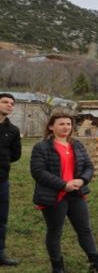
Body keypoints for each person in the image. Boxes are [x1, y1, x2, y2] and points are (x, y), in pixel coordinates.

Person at [30, 110, 98, 273]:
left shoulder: (77, 145)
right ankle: (58, 268)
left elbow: (89, 166)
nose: (66, 127)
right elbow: (38, 172)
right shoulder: (42, 147)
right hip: (54, 196)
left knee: (84, 229)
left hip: (76, 194)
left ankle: (97, 264)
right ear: (51, 127)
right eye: (61, 124)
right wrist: (63, 184)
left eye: (68, 124)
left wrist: (82, 180)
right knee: (55, 232)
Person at [0, 93, 20, 266]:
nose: (9, 105)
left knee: (1, 219)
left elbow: (16, 155)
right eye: (5, 102)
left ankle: (0, 254)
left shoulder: (13, 130)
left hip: (2, 181)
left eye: (12, 103)